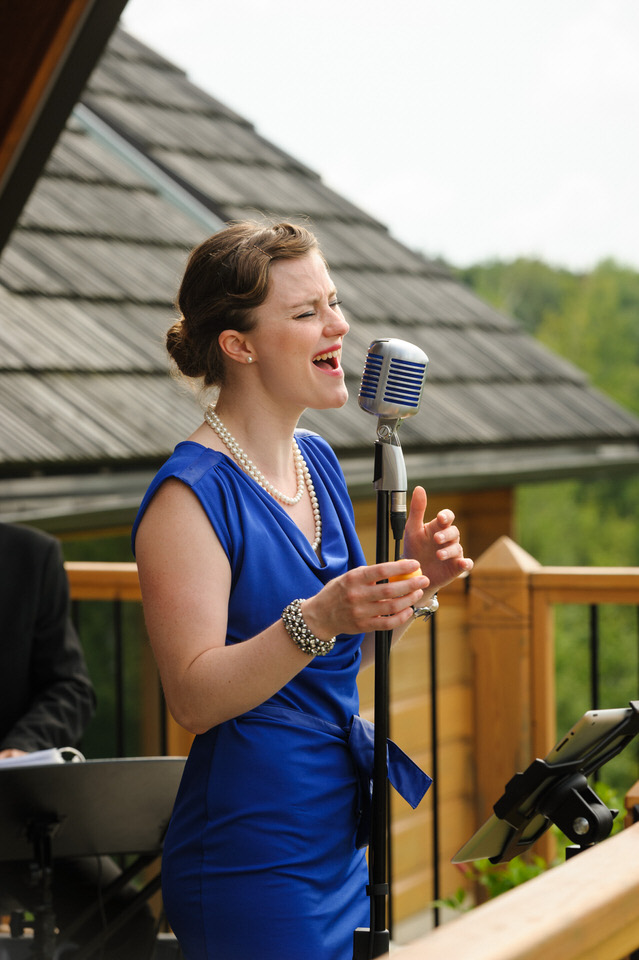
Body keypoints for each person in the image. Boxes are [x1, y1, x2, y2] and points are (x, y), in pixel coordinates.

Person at [132, 220, 474, 960]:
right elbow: (192, 698)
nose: (339, 325)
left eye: (334, 302)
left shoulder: (316, 460)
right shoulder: (188, 498)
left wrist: (410, 587)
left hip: (333, 833)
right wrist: (321, 612)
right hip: (249, 851)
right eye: (306, 312)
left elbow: (339, 655)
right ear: (239, 345)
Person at [0, 522, 156, 960]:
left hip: (12, 811)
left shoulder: (31, 554)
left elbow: (70, 687)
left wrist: (22, 746)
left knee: (124, 918)